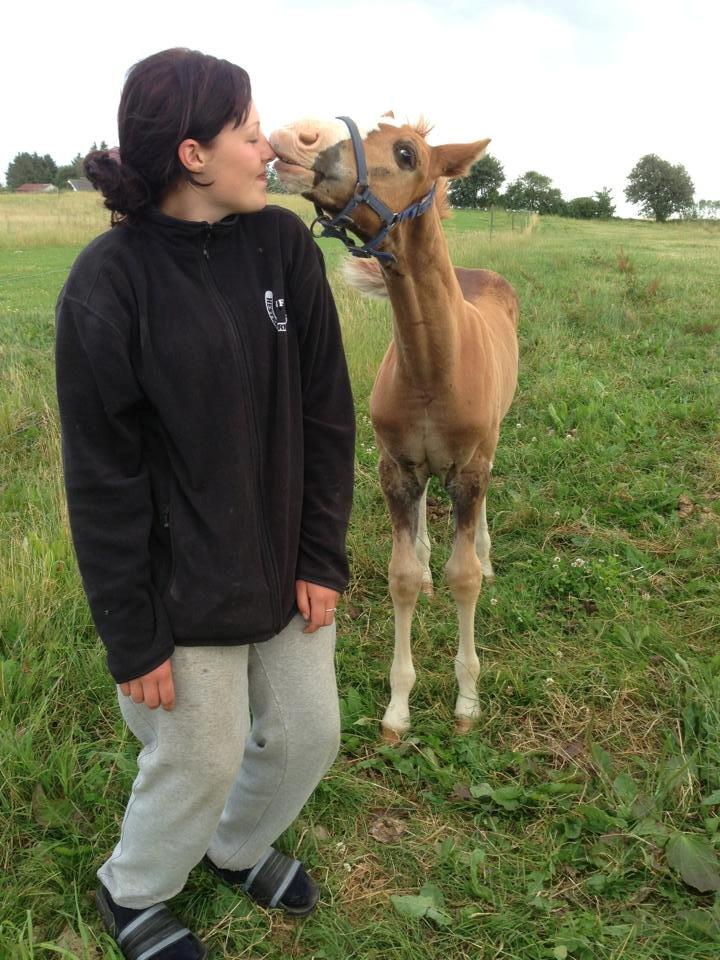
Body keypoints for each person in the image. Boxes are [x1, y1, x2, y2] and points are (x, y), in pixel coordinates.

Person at [55, 48, 355, 960]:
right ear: (193, 155)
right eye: (249, 131)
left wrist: (321, 554)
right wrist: (132, 633)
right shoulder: (107, 284)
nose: (268, 149)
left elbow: (325, 412)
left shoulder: (282, 245)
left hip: (282, 563)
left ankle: (237, 846)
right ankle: (135, 889)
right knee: (201, 752)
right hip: (178, 585)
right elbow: (100, 478)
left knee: (311, 733)